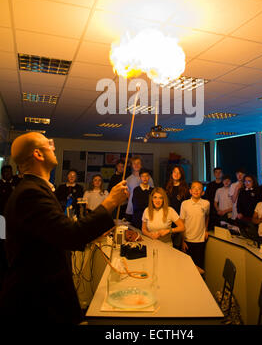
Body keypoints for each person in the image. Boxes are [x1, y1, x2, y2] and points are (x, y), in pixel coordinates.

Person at [0, 132, 128, 325]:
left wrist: (91, 232)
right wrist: (110, 202)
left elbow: (56, 234)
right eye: (49, 143)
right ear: (38, 154)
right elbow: (71, 236)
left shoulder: (36, 189)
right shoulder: (30, 193)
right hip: (38, 304)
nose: (53, 146)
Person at [180, 181, 210, 275]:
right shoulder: (185, 204)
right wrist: (182, 241)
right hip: (187, 240)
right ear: (190, 191)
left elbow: (207, 217)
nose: (196, 190)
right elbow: (182, 223)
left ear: (202, 192)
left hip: (200, 241)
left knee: (199, 268)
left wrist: (206, 230)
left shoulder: (206, 203)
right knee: (187, 268)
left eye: (199, 188)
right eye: (194, 188)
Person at [165, 166, 189, 249]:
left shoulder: (185, 189)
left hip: (179, 221)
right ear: (171, 173)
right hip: (167, 220)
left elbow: (187, 208)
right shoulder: (167, 186)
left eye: (179, 173)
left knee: (177, 246)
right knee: (167, 246)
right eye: (174, 172)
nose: (176, 174)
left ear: (181, 175)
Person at [126, 156, 154, 221]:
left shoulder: (148, 178)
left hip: (146, 210)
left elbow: (152, 193)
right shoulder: (128, 179)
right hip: (131, 210)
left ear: (141, 165)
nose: (136, 165)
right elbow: (128, 195)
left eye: (138, 163)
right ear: (131, 165)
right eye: (134, 163)